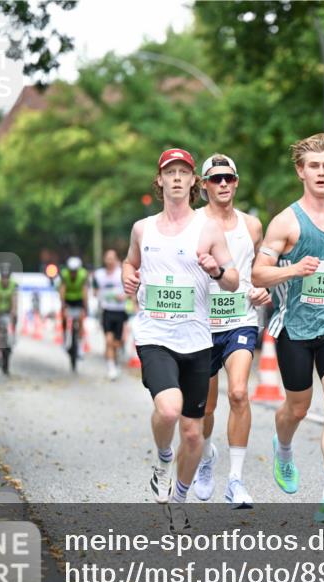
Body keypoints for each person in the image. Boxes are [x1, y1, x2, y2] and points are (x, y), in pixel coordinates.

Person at [252, 133, 324, 527]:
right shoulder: (286, 222)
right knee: (297, 407)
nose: (321, 172)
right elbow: (258, 272)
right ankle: (282, 446)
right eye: (314, 166)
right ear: (301, 171)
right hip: (296, 327)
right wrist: (293, 269)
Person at [122, 148, 239, 504]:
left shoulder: (209, 229)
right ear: (159, 180)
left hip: (197, 341)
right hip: (155, 336)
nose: (176, 178)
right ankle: (162, 458)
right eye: (169, 172)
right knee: (169, 409)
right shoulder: (142, 229)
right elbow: (130, 263)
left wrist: (216, 271)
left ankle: (179, 501)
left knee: (193, 434)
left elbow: (234, 279)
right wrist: (129, 279)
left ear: (193, 182)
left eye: (182, 172)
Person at [193, 154, 272, 508]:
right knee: (205, 407)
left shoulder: (251, 226)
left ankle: (235, 480)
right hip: (201, 325)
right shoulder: (192, 224)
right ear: (204, 186)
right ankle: (206, 457)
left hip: (241, 319)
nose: (222, 184)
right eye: (215, 179)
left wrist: (262, 290)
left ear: (236, 183)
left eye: (228, 178)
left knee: (239, 393)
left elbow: (260, 270)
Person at [93, 249, 127, 380]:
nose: (110, 260)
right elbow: (95, 291)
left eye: (112, 258)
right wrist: (98, 294)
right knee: (108, 340)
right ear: (104, 260)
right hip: (106, 311)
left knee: (117, 343)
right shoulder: (99, 274)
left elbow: (131, 290)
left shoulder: (122, 272)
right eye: (107, 258)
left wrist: (125, 296)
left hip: (120, 311)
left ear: (116, 259)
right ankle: (111, 367)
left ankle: (115, 358)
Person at [58, 256, 88, 356]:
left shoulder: (83, 274)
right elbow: (62, 289)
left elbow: (85, 290)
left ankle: (79, 345)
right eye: (71, 271)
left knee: (80, 320)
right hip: (68, 298)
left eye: (75, 271)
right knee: (64, 317)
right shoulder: (64, 274)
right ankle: (65, 337)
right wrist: (62, 304)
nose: (73, 273)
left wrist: (85, 305)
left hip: (79, 298)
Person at [0, 266, 18, 366]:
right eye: (3, 277)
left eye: (7, 277)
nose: (5, 280)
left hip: (9, 311)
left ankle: (12, 340)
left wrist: (14, 311)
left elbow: (14, 299)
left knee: (11, 328)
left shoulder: (13, 285)